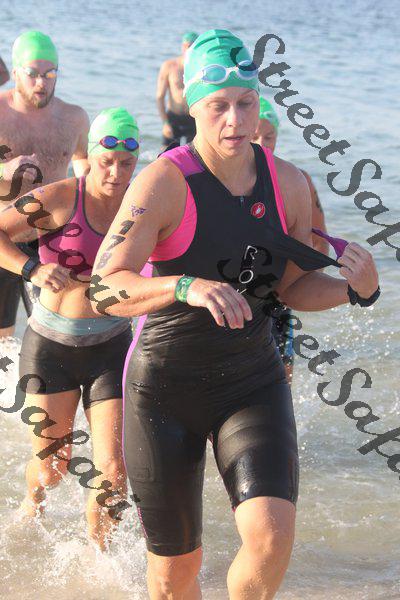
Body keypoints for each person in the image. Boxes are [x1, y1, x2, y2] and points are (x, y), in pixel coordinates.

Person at [92, 30, 379, 599]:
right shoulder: (163, 181)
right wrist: (184, 286)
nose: (235, 120)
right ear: (193, 106)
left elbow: (294, 288)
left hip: (251, 380)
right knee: (174, 574)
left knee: (271, 539)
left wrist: (354, 291)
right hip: (164, 387)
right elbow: (104, 287)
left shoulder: (289, 182)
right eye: (218, 105)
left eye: (246, 103)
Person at [0, 107, 139, 550]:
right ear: (90, 155)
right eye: (107, 161)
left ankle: (100, 559)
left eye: (127, 163)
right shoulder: (60, 197)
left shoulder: (142, 206)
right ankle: (33, 503)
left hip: (111, 348)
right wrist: (33, 269)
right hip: (51, 349)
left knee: (114, 470)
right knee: (53, 469)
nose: (116, 173)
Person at [0, 30, 90, 338]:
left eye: (51, 74)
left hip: (50, 242)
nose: (42, 82)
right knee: (2, 342)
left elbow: (84, 163)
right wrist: (5, 170)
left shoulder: (74, 118)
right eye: (33, 74)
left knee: (53, 334)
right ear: (15, 73)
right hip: (3, 239)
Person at [254, 97, 329, 383]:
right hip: (237, 294)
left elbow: (320, 241)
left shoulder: (298, 180)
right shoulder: (230, 182)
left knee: (282, 380)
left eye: (269, 137)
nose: (262, 143)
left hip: (279, 295)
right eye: (255, 136)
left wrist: (304, 283)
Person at [156, 31, 198, 149]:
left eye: (192, 46)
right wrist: (165, 123)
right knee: (166, 153)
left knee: (195, 155)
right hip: (174, 117)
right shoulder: (169, 66)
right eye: (186, 46)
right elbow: (160, 97)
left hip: (193, 118)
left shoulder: (201, 67)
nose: (188, 49)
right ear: (182, 46)